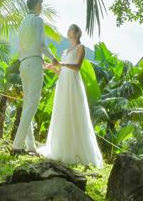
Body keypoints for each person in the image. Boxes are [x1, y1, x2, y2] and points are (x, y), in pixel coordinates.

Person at [39, 24, 103, 167]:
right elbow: (60, 71)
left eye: (72, 30)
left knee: (74, 112)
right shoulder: (66, 50)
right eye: (68, 30)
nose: (69, 32)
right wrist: (51, 67)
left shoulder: (81, 48)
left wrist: (61, 63)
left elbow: (77, 67)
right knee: (62, 113)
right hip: (63, 83)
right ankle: (62, 147)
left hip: (73, 83)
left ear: (77, 33)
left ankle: (77, 150)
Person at [12, 0, 56, 154]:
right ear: (37, 5)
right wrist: (53, 58)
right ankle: (17, 145)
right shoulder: (37, 20)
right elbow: (41, 43)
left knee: (27, 105)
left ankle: (30, 146)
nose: (41, 8)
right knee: (33, 104)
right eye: (41, 5)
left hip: (24, 64)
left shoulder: (22, 23)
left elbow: (23, 46)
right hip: (34, 63)